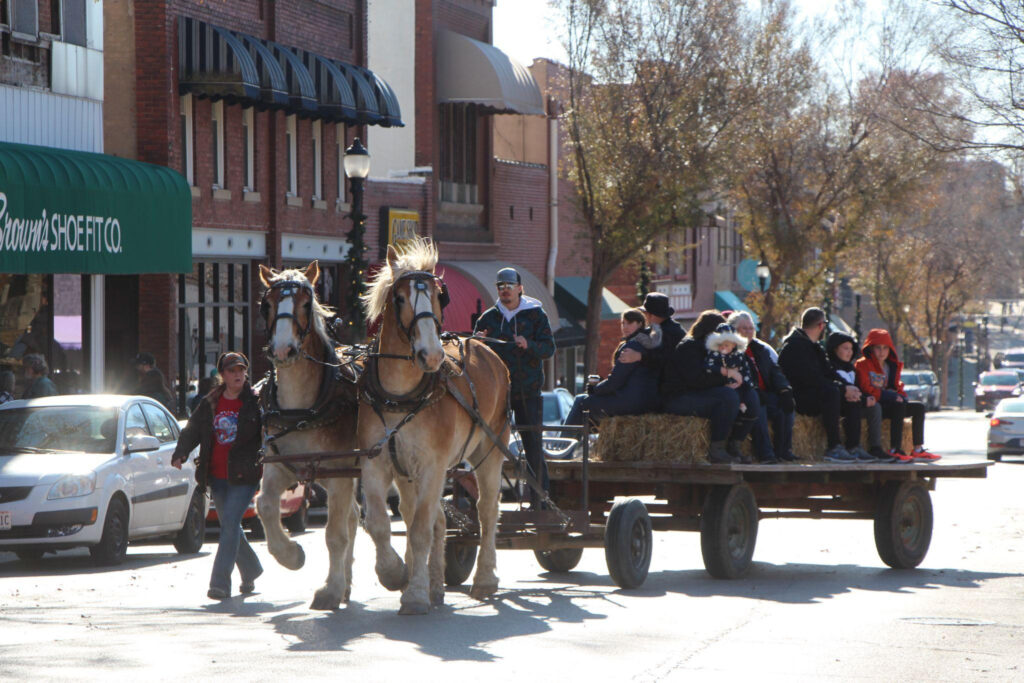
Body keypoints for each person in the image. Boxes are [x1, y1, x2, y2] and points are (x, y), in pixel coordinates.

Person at [172, 351, 264, 600]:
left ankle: (220, 583)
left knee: (231, 524)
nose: (238, 375)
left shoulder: (256, 402)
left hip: (245, 475)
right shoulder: (211, 401)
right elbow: (192, 430)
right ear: (223, 375)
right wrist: (181, 452)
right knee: (229, 527)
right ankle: (252, 569)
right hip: (216, 476)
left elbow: (270, 434)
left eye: (241, 370)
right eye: (232, 371)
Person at [473, 267, 555, 507]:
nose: (505, 291)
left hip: (527, 390)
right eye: (501, 287)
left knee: (532, 446)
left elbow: (549, 348)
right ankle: (485, 498)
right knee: (485, 442)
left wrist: (529, 344)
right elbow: (475, 355)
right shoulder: (488, 317)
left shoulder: (536, 315)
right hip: (496, 393)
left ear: (520, 288)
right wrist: (477, 343)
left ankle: (540, 499)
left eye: (509, 286)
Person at [661, 310, 752, 464]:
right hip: (677, 398)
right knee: (727, 397)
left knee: (746, 396)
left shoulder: (714, 350)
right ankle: (717, 449)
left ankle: (733, 446)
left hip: (694, 393)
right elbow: (696, 380)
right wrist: (725, 378)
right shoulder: (690, 347)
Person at [777, 308, 857, 463]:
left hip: (815, 392)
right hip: (797, 397)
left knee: (852, 396)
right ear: (821, 325)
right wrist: (840, 388)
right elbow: (809, 378)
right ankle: (833, 447)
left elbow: (830, 372)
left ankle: (854, 446)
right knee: (832, 392)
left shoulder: (815, 347)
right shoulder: (794, 346)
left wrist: (848, 387)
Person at [563, 308, 661, 427]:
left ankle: (563, 442)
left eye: (629, 323)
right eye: (623, 323)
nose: (625, 327)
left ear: (640, 324)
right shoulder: (646, 343)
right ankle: (578, 442)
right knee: (586, 404)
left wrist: (595, 389)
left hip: (630, 402)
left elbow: (615, 381)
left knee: (581, 401)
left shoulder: (632, 346)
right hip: (641, 400)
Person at [854, 329, 941, 462]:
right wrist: (890, 396)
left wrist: (902, 396)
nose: (882, 352)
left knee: (918, 408)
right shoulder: (862, 364)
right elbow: (866, 387)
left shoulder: (891, 366)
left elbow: (897, 386)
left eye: (885, 348)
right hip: (874, 405)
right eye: (878, 348)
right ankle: (895, 449)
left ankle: (917, 449)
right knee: (898, 405)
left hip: (891, 404)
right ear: (870, 348)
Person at [727, 311, 796, 462]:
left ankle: (783, 450)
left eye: (751, 328)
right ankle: (765, 454)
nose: (748, 331)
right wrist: (755, 391)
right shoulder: (731, 349)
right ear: (733, 329)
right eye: (744, 328)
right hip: (746, 394)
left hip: (766, 392)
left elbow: (774, 371)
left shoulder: (760, 348)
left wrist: (784, 389)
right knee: (759, 406)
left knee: (785, 406)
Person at [704, 322, 774, 463]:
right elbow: (708, 368)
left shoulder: (740, 356)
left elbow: (746, 373)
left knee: (754, 404)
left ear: (734, 344)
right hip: (723, 388)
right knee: (730, 400)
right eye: (721, 345)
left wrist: (743, 383)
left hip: (741, 386)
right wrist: (724, 372)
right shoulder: (714, 355)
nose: (724, 348)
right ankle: (718, 447)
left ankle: (735, 443)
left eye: (727, 345)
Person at [826, 332, 888, 462]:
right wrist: (860, 398)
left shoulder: (851, 369)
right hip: (839, 404)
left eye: (851, 349)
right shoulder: (829, 367)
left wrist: (867, 398)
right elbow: (836, 387)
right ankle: (852, 446)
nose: (849, 352)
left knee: (875, 407)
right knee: (853, 403)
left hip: (856, 400)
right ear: (835, 349)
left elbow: (859, 387)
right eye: (845, 348)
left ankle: (875, 446)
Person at [618, 293, 686, 393]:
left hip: (671, 389)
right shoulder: (662, 327)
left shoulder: (670, 332)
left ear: (651, 315)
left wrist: (639, 356)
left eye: (646, 313)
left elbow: (664, 359)